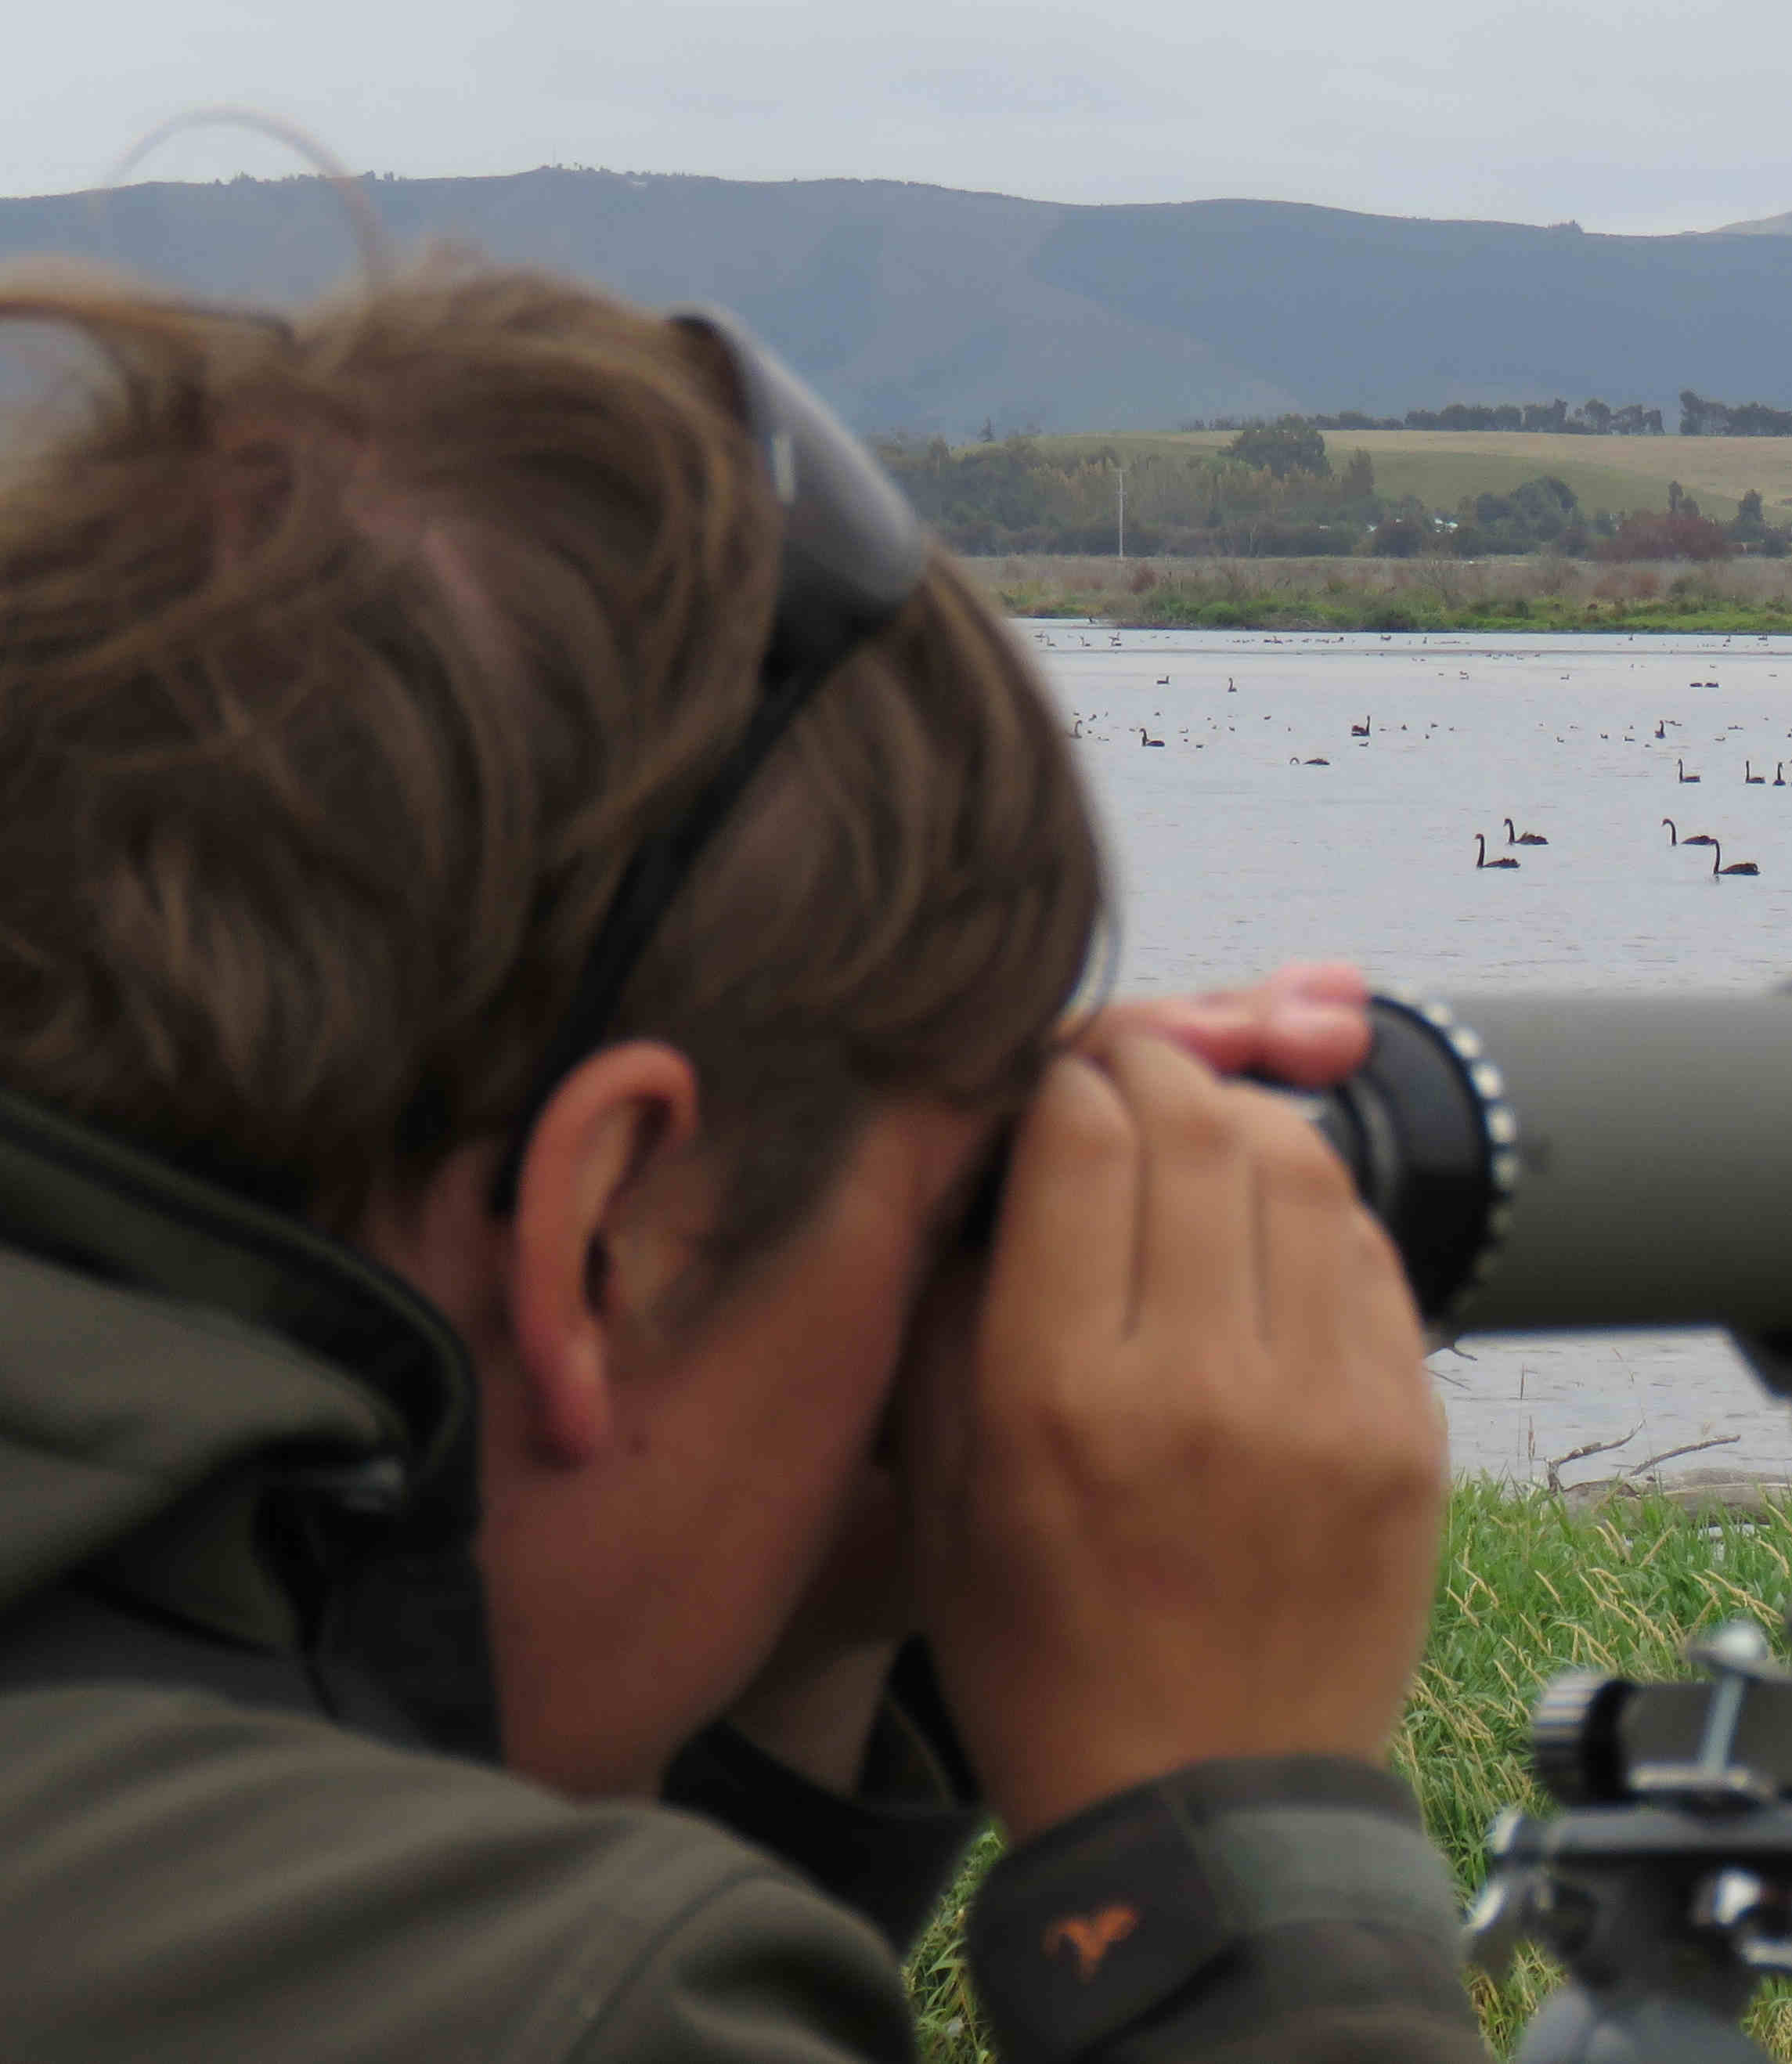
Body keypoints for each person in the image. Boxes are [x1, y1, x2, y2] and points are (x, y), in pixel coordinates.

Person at [0, 258, 1484, 2062]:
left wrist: (806, 1659)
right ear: (606, 1233)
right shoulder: (561, 2007)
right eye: (951, 1226)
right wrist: (1237, 1863)